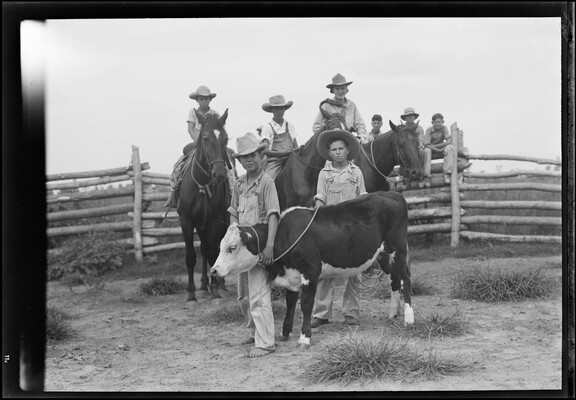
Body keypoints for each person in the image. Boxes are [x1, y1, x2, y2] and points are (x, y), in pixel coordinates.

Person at [229, 132, 280, 358]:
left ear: (261, 156)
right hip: (242, 246)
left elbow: (272, 215)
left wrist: (269, 246)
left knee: (259, 293)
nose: (248, 161)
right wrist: (233, 236)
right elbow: (233, 212)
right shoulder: (239, 184)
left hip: (259, 243)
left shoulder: (267, 183)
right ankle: (253, 331)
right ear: (239, 161)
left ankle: (266, 342)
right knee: (243, 294)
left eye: (252, 156)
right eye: (244, 158)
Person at [311, 128, 368, 328]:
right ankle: (321, 313)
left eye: (341, 149)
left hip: (352, 229)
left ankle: (351, 312)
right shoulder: (324, 174)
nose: (337, 152)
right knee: (324, 271)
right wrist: (319, 223)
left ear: (347, 150)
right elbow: (320, 199)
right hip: (330, 228)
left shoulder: (356, 172)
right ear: (329, 152)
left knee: (354, 271)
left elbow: (363, 199)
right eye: (333, 149)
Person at [164, 86, 235, 209]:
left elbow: (218, 130)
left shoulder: (214, 113)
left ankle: (233, 193)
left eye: (206, 99)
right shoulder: (193, 112)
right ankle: (174, 192)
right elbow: (190, 129)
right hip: (198, 142)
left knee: (229, 168)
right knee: (180, 164)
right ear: (197, 100)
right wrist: (197, 140)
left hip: (212, 144)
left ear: (210, 100)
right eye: (201, 99)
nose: (204, 101)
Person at [312, 73, 368, 143]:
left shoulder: (352, 105)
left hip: (349, 140)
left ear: (346, 89)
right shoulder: (326, 106)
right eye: (337, 89)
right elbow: (316, 127)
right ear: (333, 90)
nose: (340, 91)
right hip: (331, 142)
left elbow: (360, 124)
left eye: (342, 88)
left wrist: (361, 137)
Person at [259, 95, 298, 179]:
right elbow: (264, 150)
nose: (279, 111)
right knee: (268, 180)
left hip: (291, 157)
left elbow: (296, 145)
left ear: (284, 109)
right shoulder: (268, 127)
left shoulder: (290, 125)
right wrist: (282, 154)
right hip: (275, 161)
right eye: (276, 109)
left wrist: (295, 152)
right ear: (272, 110)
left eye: (281, 108)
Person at [423, 113, 455, 184]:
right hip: (431, 149)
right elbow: (426, 144)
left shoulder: (444, 128)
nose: (437, 124)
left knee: (450, 147)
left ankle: (447, 173)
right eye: (435, 122)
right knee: (426, 150)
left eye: (439, 122)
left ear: (442, 122)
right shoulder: (429, 130)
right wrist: (438, 149)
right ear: (432, 123)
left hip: (439, 148)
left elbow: (449, 141)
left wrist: (440, 147)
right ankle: (426, 175)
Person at [399, 107, 428, 188]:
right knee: (402, 154)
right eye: (408, 116)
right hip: (406, 150)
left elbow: (421, 141)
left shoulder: (419, 128)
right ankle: (405, 177)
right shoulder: (402, 128)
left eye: (411, 116)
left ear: (415, 117)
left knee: (422, 152)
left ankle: (421, 175)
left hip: (416, 149)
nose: (410, 118)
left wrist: (414, 148)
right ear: (405, 118)